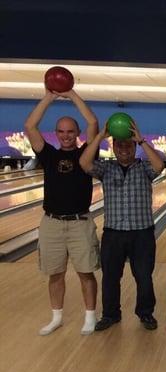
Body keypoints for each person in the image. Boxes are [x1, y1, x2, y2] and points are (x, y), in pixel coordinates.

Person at [24, 88, 99, 336]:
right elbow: (30, 126)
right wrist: (50, 96)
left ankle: (90, 317)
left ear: (77, 133)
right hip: (51, 223)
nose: (66, 136)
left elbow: (93, 122)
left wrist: (72, 94)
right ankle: (56, 317)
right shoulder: (48, 155)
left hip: (80, 222)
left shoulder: (87, 153)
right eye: (61, 131)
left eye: (70, 131)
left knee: (85, 273)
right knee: (55, 274)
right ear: (55, 134)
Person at [79, 119, 164, 331]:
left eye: (128, 145)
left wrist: (142, 140)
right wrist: (100, 136)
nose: (123, 149)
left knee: (144, 277)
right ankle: (110, 315)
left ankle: (145, 313)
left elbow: (160, 165)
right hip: (113, 234)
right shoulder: (106, 168)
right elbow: (84, 163)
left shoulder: (144, 168)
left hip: (142, 234)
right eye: (119, 144)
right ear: (113, 146)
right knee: (110, 278)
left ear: (134, 146)